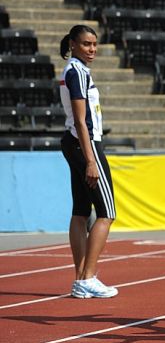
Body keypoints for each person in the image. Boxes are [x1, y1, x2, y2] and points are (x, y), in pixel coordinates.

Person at [59, 25, 118, 298]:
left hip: (74, 144)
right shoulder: (76, 72)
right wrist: (91, 160)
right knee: (106, 213)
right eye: (86, 44)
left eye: (94, 44)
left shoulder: (76, 70)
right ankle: (88, 276)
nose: (92, 49)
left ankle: (80, 277)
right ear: (73, 44)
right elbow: (82, 121)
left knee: (81, 211)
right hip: (86, 145)